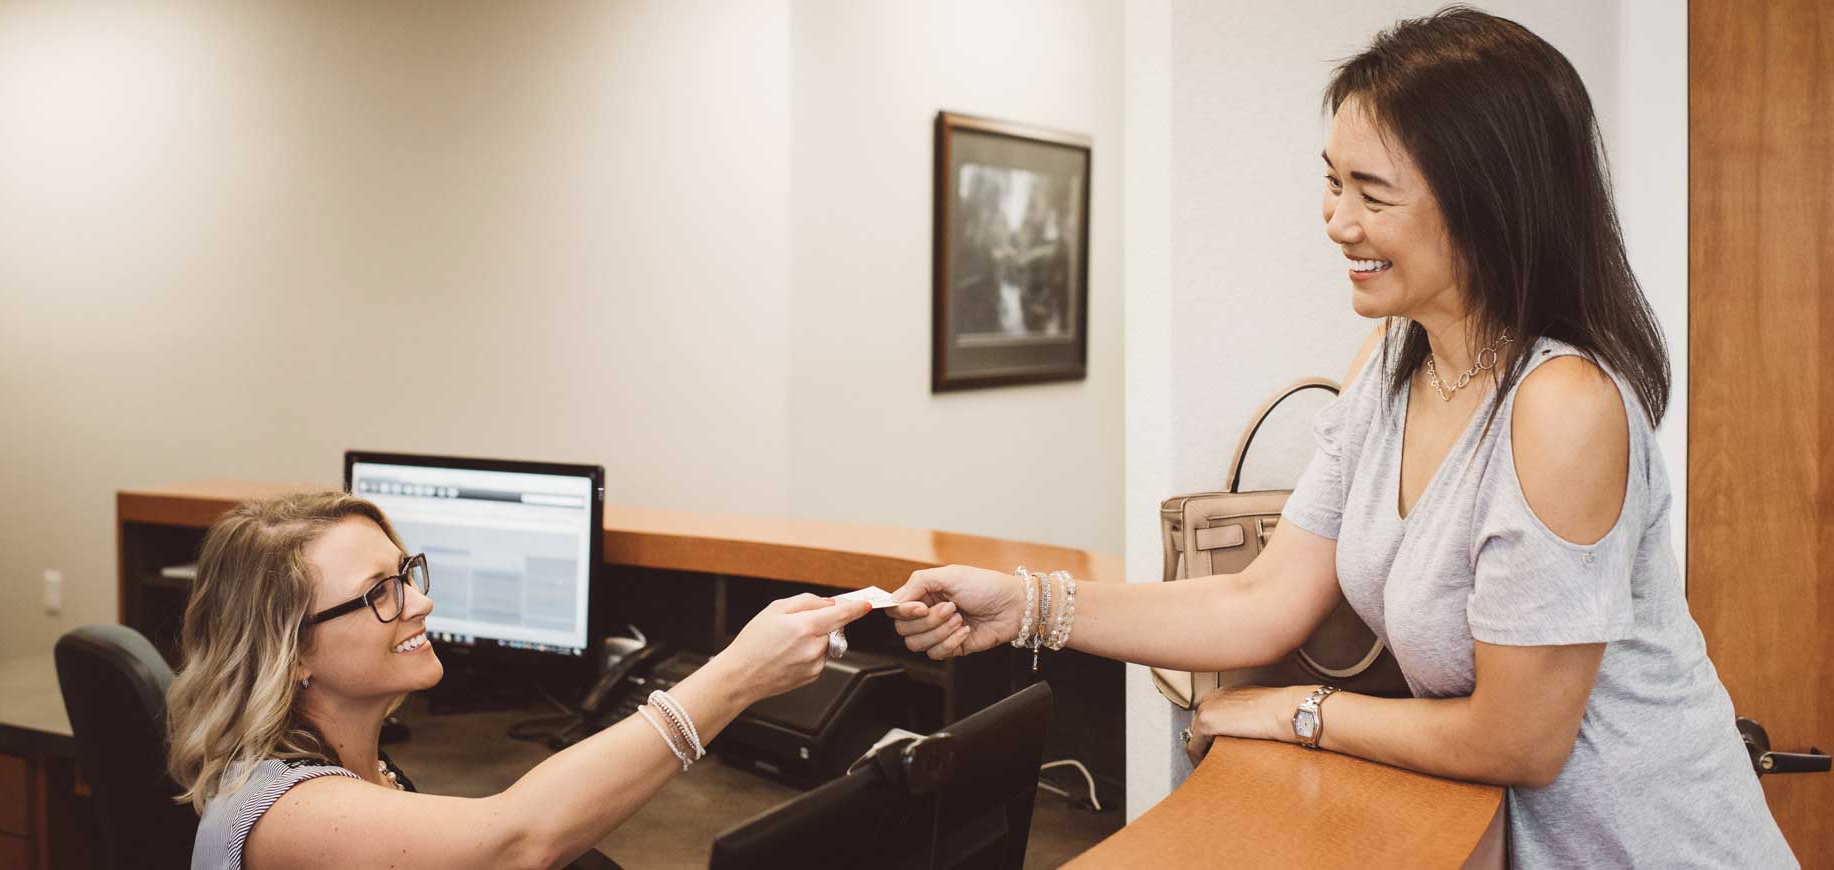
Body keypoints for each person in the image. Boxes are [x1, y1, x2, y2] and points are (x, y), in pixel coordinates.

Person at [888, 7, 1796, 868]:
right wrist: (1027, 605)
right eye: (1332, 180)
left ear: (1490, 205)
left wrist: (1297, 711)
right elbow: (1260, 599)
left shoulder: (1563, 405)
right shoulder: (1392, 361)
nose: (1338, 222)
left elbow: (1518, 739)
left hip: (1655, 842)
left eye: (1372, 193)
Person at [166, 491, 871, 869]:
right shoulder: (288, 814)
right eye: (381, 591)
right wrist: (737, 677)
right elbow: (517, 841)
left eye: (407, 574)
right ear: (291, 652)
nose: (421, 602)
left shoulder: (358, 764)